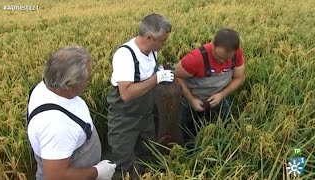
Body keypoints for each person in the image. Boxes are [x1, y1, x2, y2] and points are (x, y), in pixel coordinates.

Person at [27, 46, 116, 180]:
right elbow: (56, 176)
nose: (88, 82)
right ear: (68, 85)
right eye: (86, 80)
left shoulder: (44, 87)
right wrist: (97, 172)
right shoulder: (57, 126)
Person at [107, 14, 173, 178]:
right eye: (163, 41)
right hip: (124, 119)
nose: (164, 44)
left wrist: (160, 72)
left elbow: (148, 72)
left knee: (147, 155)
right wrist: (155, 79)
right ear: (150, 37)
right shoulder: (125, 55)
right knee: (123, 163)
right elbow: (126, 94)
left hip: (145, 115)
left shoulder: (152, 51)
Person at [174, 28, 245, 145]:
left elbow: (238, 78)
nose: (222, 62)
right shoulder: (195, 59)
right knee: (188, 132)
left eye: (226, 59)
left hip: (219, 96)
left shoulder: (237, 54)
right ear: (212, 44)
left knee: (228, 126)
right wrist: (191, 100)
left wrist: (221, 95)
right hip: (192, 97)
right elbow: (176, 76)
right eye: (218, 57)